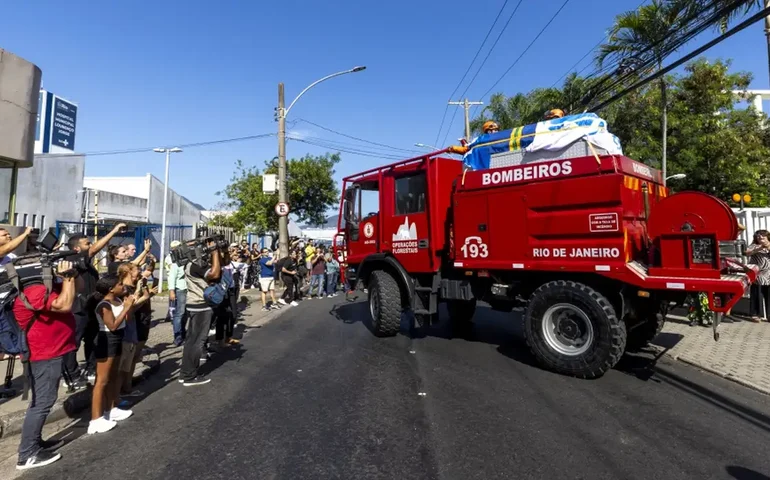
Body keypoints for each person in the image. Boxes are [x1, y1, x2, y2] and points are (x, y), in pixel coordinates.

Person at [14, 260, 78, 470]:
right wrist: (67, 277)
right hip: (44, 354)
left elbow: (75, 293)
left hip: (52, 351)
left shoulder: (44, 287)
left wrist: (71, 275)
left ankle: (35, 441)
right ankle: (27, 454)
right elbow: (65, 304)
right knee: (43, 402)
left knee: (42, 400)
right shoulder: (33, 291)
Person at [63, 223, 127, 389]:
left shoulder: (85, 262)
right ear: (77, 249)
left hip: (91, 306)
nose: (90, 245)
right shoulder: (73, 259)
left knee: (92, 339)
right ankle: (72, 375)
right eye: (86, 243)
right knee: (74, 342)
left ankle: (91, 369)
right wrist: (113, 231)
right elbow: (93, 250)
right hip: (78, 308)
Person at [90, 274, 135, 435]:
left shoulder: (118, 300)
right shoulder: (104, 305)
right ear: (110, 289)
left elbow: (125, 320)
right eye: (120, 285)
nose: (123, 286)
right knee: (101, 380)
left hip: (118, 339)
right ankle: (95, 420)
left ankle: (111, 409)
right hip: (107, 340)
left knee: (113, 376)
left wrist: (131, 304)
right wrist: (127, 307)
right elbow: (113, 325)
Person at [179, 240, 222, 386]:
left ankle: (185, 372)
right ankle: (189, 376)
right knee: (198, 341)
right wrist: (215, 251)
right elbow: (215, 274)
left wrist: (219, 253)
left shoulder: (190, 264)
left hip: (194, 304)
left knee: (191, 340)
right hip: (201, 306)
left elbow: (222, 265)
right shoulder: (196, 265)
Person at [117, 263, 155, 400]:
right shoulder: (123, 289)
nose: (140, 271)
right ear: (128, 272)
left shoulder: (138, 284)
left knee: (134, 358)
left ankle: (127, 387)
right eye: (136, 269)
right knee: (127, 360)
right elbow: (129, 309)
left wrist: (145, 291)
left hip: (141, 322)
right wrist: (142, 296)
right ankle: (123, 389)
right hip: (131, 325)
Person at [167, 241, 188, 347]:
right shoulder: (175, 263)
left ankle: (183, 334)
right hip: (180, 289)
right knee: (179, 314)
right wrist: (171, 291)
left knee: (185, 314)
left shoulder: (187, 261)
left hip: (188, 289)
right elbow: (171, 277)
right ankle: (178, 337)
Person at [747, 229, 770, 322]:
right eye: (758, 236)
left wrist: (768, 247)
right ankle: (755, 314)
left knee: (769, 296)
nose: (760, 237)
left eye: (762, 236)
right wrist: (760, 248)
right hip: (758, 275)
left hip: (769, 275)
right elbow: (747, 253)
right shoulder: (754, 246)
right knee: (757, 295)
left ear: (767, 237)